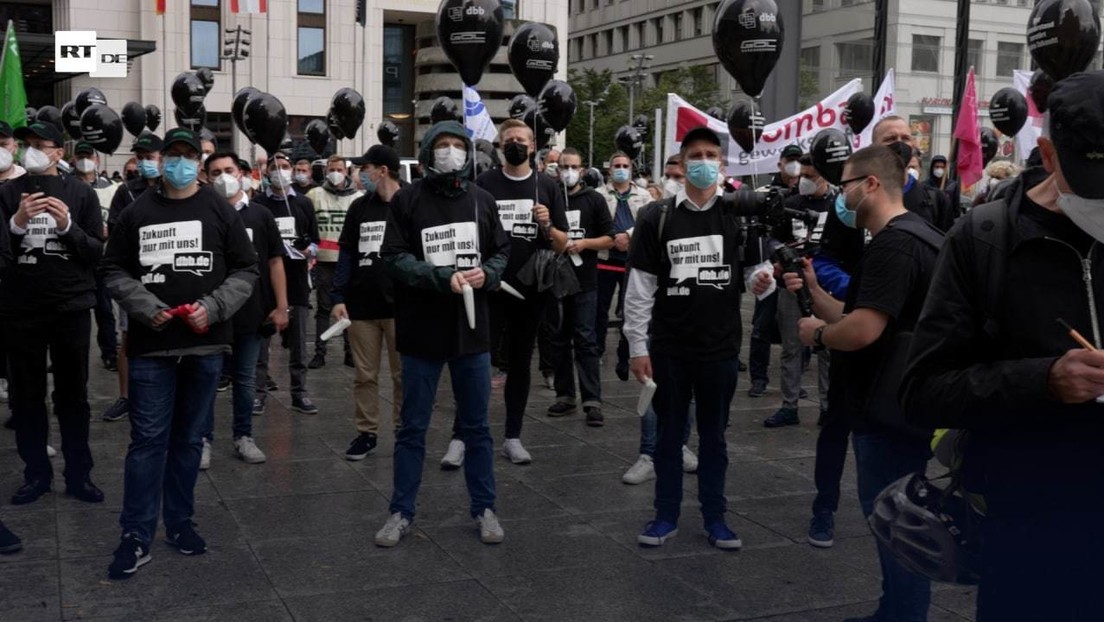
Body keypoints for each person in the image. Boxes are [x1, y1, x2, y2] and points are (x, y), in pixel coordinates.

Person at [902, 71, 1104, 621]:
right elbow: (922, 389)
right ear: (1047, 152)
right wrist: (1043, 380)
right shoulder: (984, 239)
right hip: (1031, 526)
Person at [785, 145, 941, 622]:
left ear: (871, 184)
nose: (840, 193)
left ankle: (903, 614)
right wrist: (814, 291)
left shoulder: (895, 244)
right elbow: (864, 314)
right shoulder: (913, 237)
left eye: (847, 182)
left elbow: (863, 331)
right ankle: (892, 608)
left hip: (889, 409)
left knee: (896, 519)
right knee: (894, 516)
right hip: (897, 404)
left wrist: (820, 334)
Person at [100, 128, 258, 579]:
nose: (181, 163)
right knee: (148, 442)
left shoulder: (218, 209)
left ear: (199, 162)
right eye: (173, 155)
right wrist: (147, 309)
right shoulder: (136, 212)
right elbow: (112, 268)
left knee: (189, 441)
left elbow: (247, 268)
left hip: (205, 345)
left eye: (191, 156)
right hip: (152, 348)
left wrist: (213, 307)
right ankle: (135, 534)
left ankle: (180, 522)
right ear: (161, 160)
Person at [375, 120, 510, 547]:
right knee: (412, 427)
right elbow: (393, 257)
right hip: (420, 334)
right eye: (442, 145)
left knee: (477, 428)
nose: (450, 152)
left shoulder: (482, 200)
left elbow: (502, 251)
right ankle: (400, 511)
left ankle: (484, 507)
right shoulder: (407, 201)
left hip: (472, 335)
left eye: (457, 145)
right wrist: (438, 277)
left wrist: (486, 274)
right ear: (429, 150)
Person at [625, 126, 744, 550]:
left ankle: (716, 517)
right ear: (681, 162)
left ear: (723, 164)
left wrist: (767, 278)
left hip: (720, 347)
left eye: (712, 154)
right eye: (696, 154)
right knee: (669, 437)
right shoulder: (657, 217)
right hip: (670, 347)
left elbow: (753, 272)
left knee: (714, 438)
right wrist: (638, 346)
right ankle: (665, 514)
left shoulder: (736, 213)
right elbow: (639, 288)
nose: (704, 161)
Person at [2, 119, 105, 507]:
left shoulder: (81, 194)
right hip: (21, 309)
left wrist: (67, 227)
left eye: (40, 144)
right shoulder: (7, 193)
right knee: (27, 397)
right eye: (25, 143)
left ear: (59, 153)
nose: (30, 150)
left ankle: (79, 474)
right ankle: (35, 475)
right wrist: (16, 224)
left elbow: (96, 253)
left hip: (71, 307)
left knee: (73, 396)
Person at [473, 118, 568, 465]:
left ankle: (513, 435)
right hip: (492, 286)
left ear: (532, 146)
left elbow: (562, 244)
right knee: (478, 362)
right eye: (508, 139)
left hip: (531, 291)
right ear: (500, 146)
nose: (514, 144)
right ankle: (464, 432)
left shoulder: (547, 186)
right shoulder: (484, 184)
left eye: (521, 139)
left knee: (519, 362)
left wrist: (546, 223)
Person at [200, 152, 289, 468]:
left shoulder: (260, 216)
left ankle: (243, 436)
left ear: (242, 173)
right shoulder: (203, 214)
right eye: (215, 172)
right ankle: (203, 440)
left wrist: (281, 306)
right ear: (206, 177)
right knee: (207, 378)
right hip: (210, 313)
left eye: (228, 170)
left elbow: (275, 261)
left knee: (245, 377)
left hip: (252, 312)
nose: (223, 176)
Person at [332, 145, 403, 461]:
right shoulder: (359, 208)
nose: (360, 174)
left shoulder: (409, 203)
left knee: (404, 375)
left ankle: (404, 430)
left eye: (366, 168)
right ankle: (366, 432)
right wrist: (338, 296)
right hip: (362, 306)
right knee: (364, 374)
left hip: (403, 306)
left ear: (383, 171)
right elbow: (346, 253)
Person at [545, 148, 615, 426]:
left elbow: (610, 238)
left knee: (585, 339)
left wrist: (585, 244)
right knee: (558, 339)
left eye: (573, 166)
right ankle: (565, 395)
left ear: (583, 170)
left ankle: (592, 400)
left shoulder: (594, 200)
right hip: (556, 280)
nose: (568, 171)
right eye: (564, 166)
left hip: (585, 280)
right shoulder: (550, 197)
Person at [762, 154, 833, 428]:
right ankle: (789, 406)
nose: (804, 181)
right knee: (791, 348)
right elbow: (772, 237)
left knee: (828, 346)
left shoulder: (837, 206)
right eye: (802, 175)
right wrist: (779, 258)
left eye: (811, 176)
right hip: (791, 283)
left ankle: (828, 407)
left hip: (825, 287)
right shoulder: (790, 203)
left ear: (825, 175)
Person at [102, 132, 165, 424]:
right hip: (136, 277)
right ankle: (127, 397)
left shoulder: (174, 189)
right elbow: (116, 233)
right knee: (128, 338)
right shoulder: (126, 192)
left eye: (149, 157)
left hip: (169, 277)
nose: (144, 163)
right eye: (140, 158)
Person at [252, 152, 319, 415]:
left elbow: (315, 240)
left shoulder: (303, 203)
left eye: (285, 167)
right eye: (275, 167)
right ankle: (258, 393)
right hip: (266, 282)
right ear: (267, 172)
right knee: (262, 344)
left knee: (299, 343)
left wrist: (308, 249)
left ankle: (299, 393)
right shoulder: (258, 204)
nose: (280, 171)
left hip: (297, 280)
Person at [595, 151, 652, 381]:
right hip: (605, 258)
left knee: (631, 309)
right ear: (609, 170)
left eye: (624, 165)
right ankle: (597, 350)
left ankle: (627, 351)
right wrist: (611, 238)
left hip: (632, 260)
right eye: (616, 165)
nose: (621, 168)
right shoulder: (598, 195)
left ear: (631, 168)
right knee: (599, 309)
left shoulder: (645, 196)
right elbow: (594, 222)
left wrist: (628, 236)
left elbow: (648, 223)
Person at [307, 155, 362, 369]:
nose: (335, 173)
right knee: (323, 307)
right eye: (331, 168)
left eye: (339, 168)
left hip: (348, 262)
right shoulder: (315, 195)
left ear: (346, 171)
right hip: (324, 260)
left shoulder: (357, 198)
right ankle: (320, 352)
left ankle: (350, 351)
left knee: (348, 307)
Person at [73, 141, 120, 371]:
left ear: (96, 160)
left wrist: (111, 229)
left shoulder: (111, 188)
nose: (84, 160)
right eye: (80, 155)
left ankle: (110, 352)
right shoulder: (68, 186)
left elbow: (119, 218)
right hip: (77, 256)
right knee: (74, 311)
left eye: (88, 155)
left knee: (104, 308)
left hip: (102, 255)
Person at [872, 116, 956, 231]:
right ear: (873, 147)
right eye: (890, 139)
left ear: (913, 146)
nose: (899, 144)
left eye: (905, 138)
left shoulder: (936, 201)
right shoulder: (862, 195)